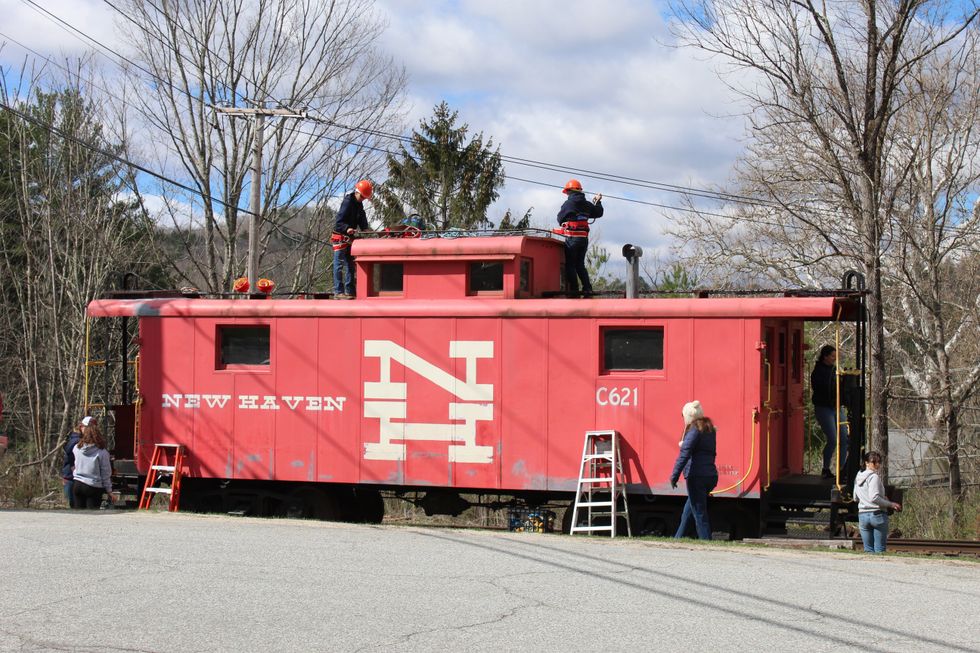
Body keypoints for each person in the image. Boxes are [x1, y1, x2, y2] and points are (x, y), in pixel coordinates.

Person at [669, 400, 718, 540]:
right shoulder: (709, 430)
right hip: (710, 475)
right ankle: (677, 539)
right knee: (688, 511)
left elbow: (684, 454)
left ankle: (706, 542)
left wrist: (674, 476)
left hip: (697, 477)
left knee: (699, 513)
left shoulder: (694, 430)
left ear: (688, 416)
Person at [556, 179, 603, 298]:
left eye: (567, 192)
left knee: (570, 265)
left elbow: (560, 219)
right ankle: (587, 289)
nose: (567, 194)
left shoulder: (568, 204)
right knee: (580, 265)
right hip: (583, 240)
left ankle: (574, 292)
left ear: (569, 191)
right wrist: (598, 202)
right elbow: (598, 212)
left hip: (572, 239)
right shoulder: (587, 204)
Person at [811, 344, 849, 479]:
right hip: (824, 408)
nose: (835, 358)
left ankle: (841, 470)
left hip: (836, 407)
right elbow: (822, 389)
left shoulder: (835, 370)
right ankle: (825, 469)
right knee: (833, 439)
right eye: (832, 356)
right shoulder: (818, 372)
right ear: (825, 357)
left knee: (844, 438)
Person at [331, 179, 373, 299]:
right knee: (338, 265)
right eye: (362, 197)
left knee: (350, 265)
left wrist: (365, 228)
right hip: (340, 237)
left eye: (365, 198)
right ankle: (338, 291)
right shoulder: (348, 202)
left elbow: (361, 217)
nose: (363, 199)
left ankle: (350, 291)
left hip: (349, 238)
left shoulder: (359, 204)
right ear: (357, 192)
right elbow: (339, 222)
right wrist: (347, 228)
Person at [854, 451, 901, 553]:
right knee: (880, 550)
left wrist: (866, 499)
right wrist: (891, 504)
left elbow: (855, 498)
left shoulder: (858, 477)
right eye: (874, 462)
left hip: (862, 515)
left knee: (868, 550)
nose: (877, 464)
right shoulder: (874, 477)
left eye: (879, 462)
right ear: (866, 463)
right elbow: (874, 497)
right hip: (877, 515)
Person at [71, 422, 113, 510]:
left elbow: (74, 464)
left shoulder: (76, 448)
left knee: (78, 514)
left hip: (77, 484)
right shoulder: (102, 453)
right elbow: (105, 473)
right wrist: (109, 490)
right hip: (93, 486)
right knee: (92, 514)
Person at [61, 416, 95, 508]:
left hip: (79, 480)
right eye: (89, 428)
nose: (92, 430)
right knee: (74, 507)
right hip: (71, 478)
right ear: (81, 427)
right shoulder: (76, 440)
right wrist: (73, 466)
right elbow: (68, 450)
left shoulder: (82, 440)